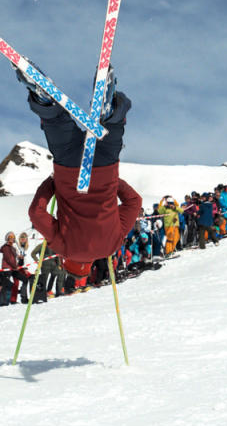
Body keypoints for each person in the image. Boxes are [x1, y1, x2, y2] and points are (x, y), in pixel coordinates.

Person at [20, 63, 143, 283]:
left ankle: (111, 111)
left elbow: (134, 202)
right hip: (68, 171)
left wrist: (113, 183)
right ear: (67, 263)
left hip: (105, 169)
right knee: (56, 122)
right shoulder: (62, 247)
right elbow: (36, 214)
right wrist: (52, 184)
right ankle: (44, 99)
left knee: (112, 128)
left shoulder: (111, 245)